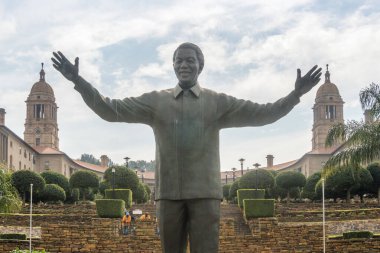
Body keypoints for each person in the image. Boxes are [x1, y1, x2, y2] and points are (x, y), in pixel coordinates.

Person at [51, 42, 321, 252]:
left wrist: (295, 94)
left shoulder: (217, 102)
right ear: (172, 65)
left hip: (205, 195)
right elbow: (110, 109)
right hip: (168, 195)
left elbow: (265, 114)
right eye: (178, 60)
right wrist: (78, 81)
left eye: (189, 60)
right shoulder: (157, 101)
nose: (184, 65)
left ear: (200, 66)